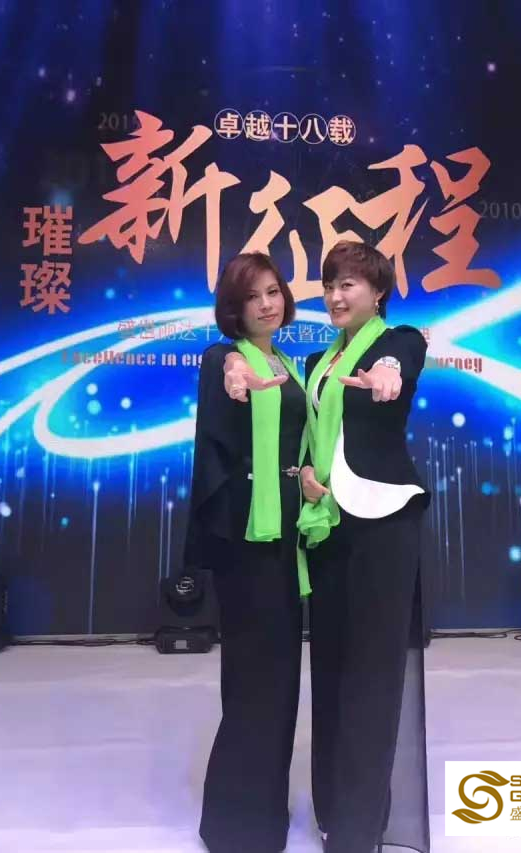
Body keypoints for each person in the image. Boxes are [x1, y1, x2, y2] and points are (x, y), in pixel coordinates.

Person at [298, 241, 432, 853]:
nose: (335, 296)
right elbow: (311, 436)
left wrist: (388, 373)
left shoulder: (396, 340)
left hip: (383, 523)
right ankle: (332, 807)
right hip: (327, 524)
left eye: (348, 284)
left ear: (377, 293)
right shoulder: (317, 361)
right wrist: (305, 471)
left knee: (373, 675)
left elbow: (402, 361)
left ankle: (360, 826)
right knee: (329, 667)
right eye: (330, 285)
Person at [184, 252, 306, 853]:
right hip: (249, 543)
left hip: (287, 541)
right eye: (253, 295)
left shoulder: (287, 362)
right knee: (254, 680)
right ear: (233, 308)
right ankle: (235, 825)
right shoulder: (225, 357)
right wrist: (235, 370)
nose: (266, 304)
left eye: (273, 291)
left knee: (280, 681)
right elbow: (226, 369)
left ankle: (265, 813)